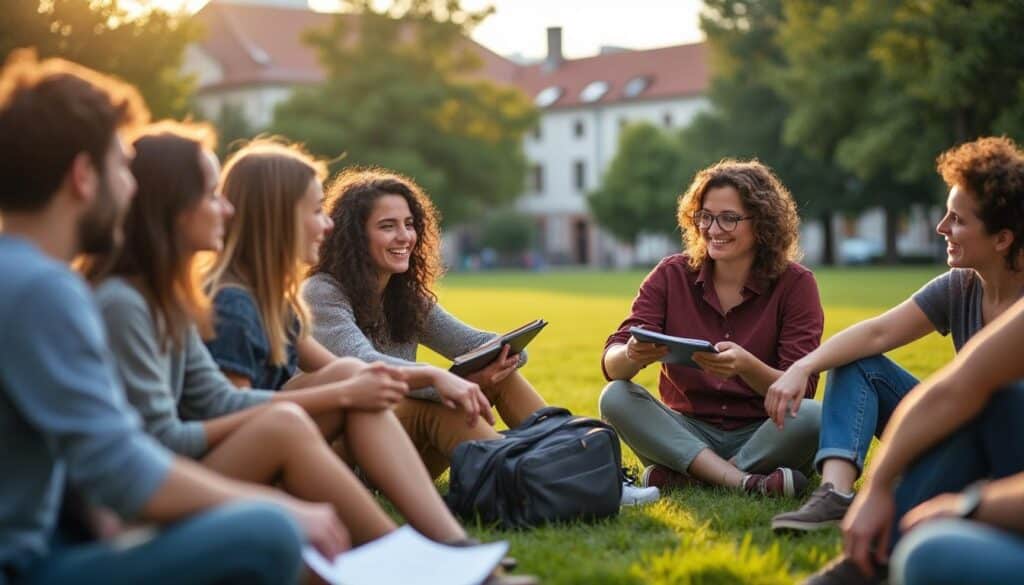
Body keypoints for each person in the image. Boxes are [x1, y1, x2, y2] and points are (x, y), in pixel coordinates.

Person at [0, 50, 345, 585]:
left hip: (59, 536)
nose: (132, 187)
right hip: (27, 565)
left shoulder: (25, 278)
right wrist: (281, 511)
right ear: (83, 176)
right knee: (268, 534)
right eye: (121, 166)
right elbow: (122, 469)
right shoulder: (44, 289)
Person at [85, 123, 478, 550]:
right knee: (289, 422)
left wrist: (366, 386)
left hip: (195, 467)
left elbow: (221, 400)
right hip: (154, 495)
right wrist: (344, 395)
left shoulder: (172, 300)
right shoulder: (138, 305)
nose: (227, 209)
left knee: (340, 380)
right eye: (213, 195)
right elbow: (170, 438)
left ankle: (448, 547)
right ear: (176, 207)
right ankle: (421, 557)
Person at [303, 168, 659, 506]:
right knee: (448, 403)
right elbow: (365, 366)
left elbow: (481, 345)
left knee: (499, 377)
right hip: (350, 459)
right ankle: (541, 485)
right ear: (354, 235)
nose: (404, 237)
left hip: (402, 454)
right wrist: (451, 382)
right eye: (387, 226)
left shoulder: (404, 298)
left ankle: (593, 475)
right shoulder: (322, 293)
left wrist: (502, 355)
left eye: (409, 224)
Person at [201, 138, 490, 546]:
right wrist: (422, 377)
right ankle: (420, 546)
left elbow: (343, 368)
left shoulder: (272, 300)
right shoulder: (232, 303)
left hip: (275, 447)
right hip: (222, 470)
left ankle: (449, 542)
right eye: (316, 210)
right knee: (348, 382)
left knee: (350, 375)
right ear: (277, 219)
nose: (328, 224)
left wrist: (408, 378)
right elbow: (229, 413)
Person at [771, 136, 1024, 532]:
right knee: (857, 362)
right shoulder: (960, 286)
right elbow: (877, 332)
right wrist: (801, 367)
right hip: (956, 428)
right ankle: (835, 494)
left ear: (1003, 238)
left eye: (957, 219)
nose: (942, 228)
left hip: (1004, 456)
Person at [599, 159, 824, 497]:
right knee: (615, 397)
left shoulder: (797, 284)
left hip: (763, 432)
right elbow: (611, 364)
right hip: (685, 431)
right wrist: (630, 354)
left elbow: (799, 390)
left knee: (812, 416)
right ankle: (745, 482)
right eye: (705, 216)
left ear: (762, 222)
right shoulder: (670, 275)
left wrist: (747, 367)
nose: (713, 229)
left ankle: (690, 476)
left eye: (729, 218)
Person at [802, 297, 1024, 585]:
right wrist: (878, 486)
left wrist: (970, 506)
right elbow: (957, 388)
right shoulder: (960, 286)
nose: (945, 247)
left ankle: (872, 560)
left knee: (927, 555)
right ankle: (844, 510)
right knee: (992, 398)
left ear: (1002, 246)